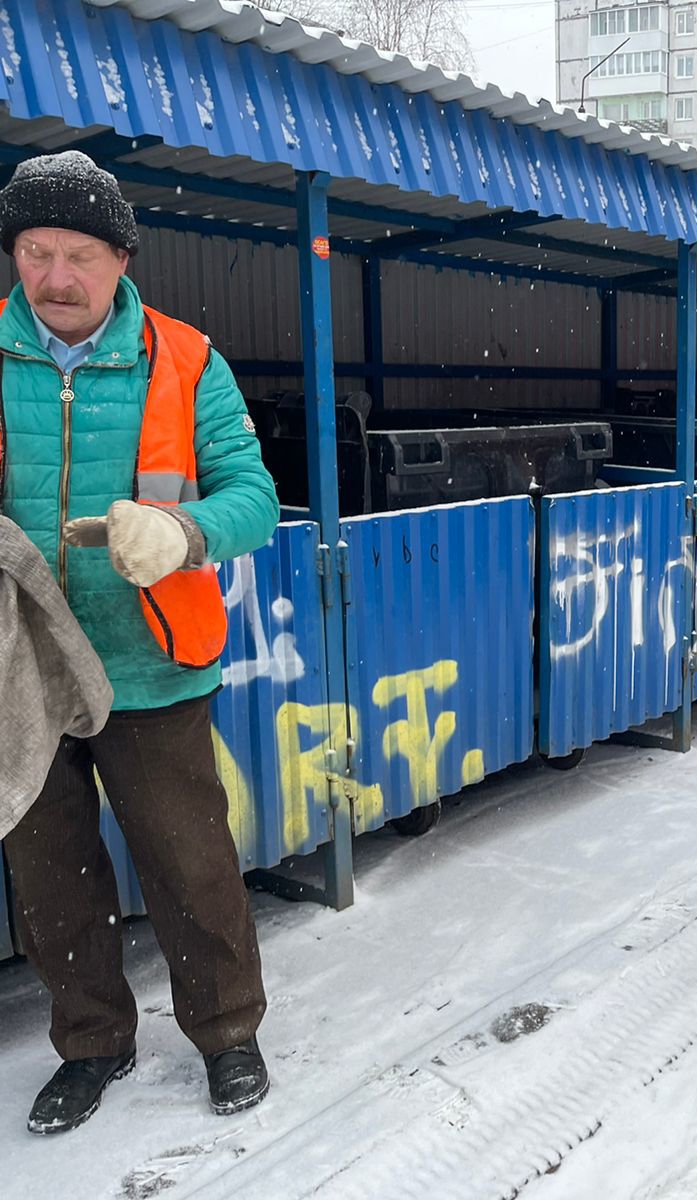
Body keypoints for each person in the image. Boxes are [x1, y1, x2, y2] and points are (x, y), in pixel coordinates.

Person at [0, 151, 280, 1133]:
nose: (56, 277)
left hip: (152, 666)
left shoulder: (188, 358)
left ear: (120, 258)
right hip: (20, 674)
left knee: (189, 862)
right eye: (35, 251)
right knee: (50, 875)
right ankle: (91, 1045)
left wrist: (188, 531)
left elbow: (257, 496)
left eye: (79, 252)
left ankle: (226, 1032)